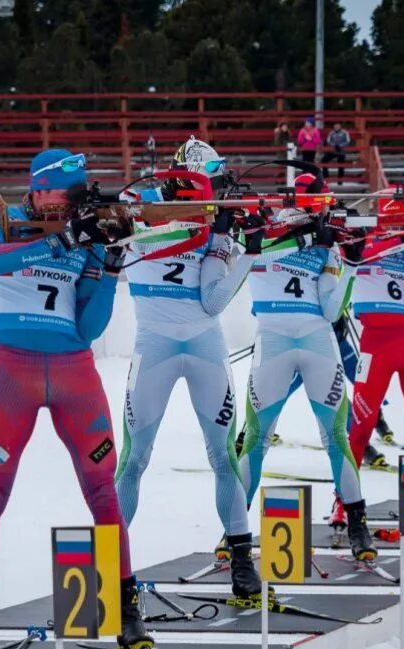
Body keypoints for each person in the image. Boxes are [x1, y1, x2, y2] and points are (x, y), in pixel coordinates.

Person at [0, 149, 147, 649]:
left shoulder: (83, 232)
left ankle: (128, 607)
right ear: (38, 189)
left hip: (74, 375)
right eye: (58, 195)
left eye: (70, 200)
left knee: (103, 493)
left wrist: (108, 267)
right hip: (13, 375)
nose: (63, 206)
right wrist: (62, 241)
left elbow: (87, 328)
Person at [114, 136, 263, 600]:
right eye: (209, 182)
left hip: (204, 346)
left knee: (222, 456)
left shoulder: (214, 220)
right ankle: (113, 570)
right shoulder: (138, 204)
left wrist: (244, 246)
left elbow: (213, 301)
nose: (215, 191)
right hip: (154, 345)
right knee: (134, 460)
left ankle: (241, 560)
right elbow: (118, 213)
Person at [236, 205, 376, 562]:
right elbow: (242, 255)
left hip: (317, 341)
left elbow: (332, 310)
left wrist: (351, 266)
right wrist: (301, 237)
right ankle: (233, 531)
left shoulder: (324, 247)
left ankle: (358, 524)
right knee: (255, 439)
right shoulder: (262, 243)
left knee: (336, 437)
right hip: (272, 343)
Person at [345, 186, 404, 488]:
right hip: (376, 347)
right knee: (360, 430)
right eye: (396, 222)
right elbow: (352, 258)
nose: (403, 229)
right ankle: (343, 505)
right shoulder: (362, 244)